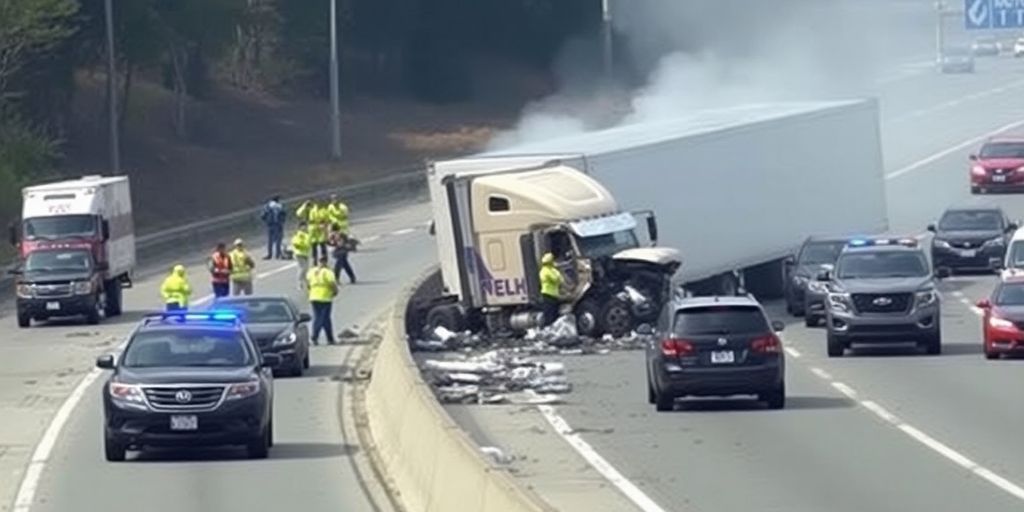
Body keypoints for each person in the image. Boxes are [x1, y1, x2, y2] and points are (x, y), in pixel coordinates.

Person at [306, 256, 338, 345]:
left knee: (325, 318)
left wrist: (310, 292)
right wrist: (335, 291)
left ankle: (330, 338)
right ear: (325, 262)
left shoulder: (312, 271)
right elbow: (332, 283)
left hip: (314, 296)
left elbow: (308, 283)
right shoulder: (328, 272)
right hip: (325, 297)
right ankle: (314, 336)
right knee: (321, 318)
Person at [539, 252, 564, 326]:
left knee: (554, 312)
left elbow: (560, 279)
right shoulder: (546, 271)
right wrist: (558, 275)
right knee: (550, 313)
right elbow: (557, 279)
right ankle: (548, 327)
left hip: (553, 294)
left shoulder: (551, 270)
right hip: (548, 294)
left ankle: (552, 326)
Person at [260, 195, 287, 260]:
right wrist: (282, 222)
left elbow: (262, 215)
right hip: (278, 225)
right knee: (278, 240)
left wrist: (267, 221)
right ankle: (278, 254)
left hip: (270, 225)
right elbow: (284, 214)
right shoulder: (280, 206)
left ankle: (269, 254)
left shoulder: (267, 206)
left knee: (270, 241)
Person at [291, 222, 312, 290]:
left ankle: (307, 283)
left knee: (306, 269)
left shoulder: (307, 235)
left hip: (306, 253)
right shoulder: (298, 234)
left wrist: (305, 245)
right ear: (300, 227)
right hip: (299, 253)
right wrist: (302, 244)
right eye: (303, 226)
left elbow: (308, 243)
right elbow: (295, 243)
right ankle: (299, 283)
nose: (304, 228)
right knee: (302, 268)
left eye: (305, 226)